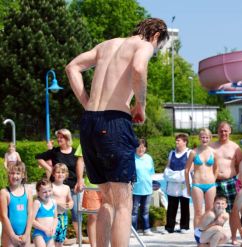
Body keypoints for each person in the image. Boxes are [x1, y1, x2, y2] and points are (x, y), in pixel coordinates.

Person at [65, 17, 168, 247]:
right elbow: (139, 68)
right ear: (156, 36)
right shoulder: (144, 45)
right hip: (114, 123)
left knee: (107, 201)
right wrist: (140, 107)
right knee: (123, 202)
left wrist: (87, 103)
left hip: (90, 122)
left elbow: (72, 67)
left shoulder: (106, 45)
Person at [35, 129, 80, 244]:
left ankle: (79, 236)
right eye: (58, 137)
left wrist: (79, 181)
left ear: (67, 139)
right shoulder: (55, 151)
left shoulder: (75, 152)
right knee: (55, 212)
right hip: (55, 186)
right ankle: (54, 237)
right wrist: (50, 168)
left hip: (71, 187)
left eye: (62, 137)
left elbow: (79, 168)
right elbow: (39, 157)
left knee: (75, 212)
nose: (59, 139)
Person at [210, 121, 242, 245]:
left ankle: (234, 237)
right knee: (215, 211)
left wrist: (237, 180)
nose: (223, 133)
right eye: (221, 130)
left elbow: (240, 165)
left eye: (225, 130)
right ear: (217, 131)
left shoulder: (235, 147)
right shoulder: (211, 147)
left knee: (233, 211)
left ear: (230, 131)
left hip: (230, 182)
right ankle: (215, 236)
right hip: (215, 182)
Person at [185, 128, 218, 228]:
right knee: (198, 212)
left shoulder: (214, 152)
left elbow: (216, 169)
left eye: (207, 137)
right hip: (197, 185)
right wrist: (188, 187)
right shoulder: (193, 152)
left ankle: (207, 235)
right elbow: (186, 170)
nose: (204, 139)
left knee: (210, 212)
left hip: (211, 185)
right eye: (203, 137)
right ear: (199, 138)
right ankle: (197, 237)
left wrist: (213, 179)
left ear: (210, 138)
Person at [0, 161, 33, 247]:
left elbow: (30, 214)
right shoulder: (4, 192)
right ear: (8, 175)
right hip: (9, 235)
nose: (15, 176)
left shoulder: (28, 192)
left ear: (23, 175)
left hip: (25, 234)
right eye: (12, 173)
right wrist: (12, 236)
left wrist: (27, 234)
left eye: (18, 173)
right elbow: (3, 216)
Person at [163, 133, 191, 233]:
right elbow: (168, 166)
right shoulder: (172, 153)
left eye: (178, 140)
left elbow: (190, 169)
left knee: (184, 204)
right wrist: (172, 175)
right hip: (173, 184)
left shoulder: (189, 153)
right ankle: (169, 227)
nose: (176, 142)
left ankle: (184, 226)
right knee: (171, 205)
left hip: (184, 183)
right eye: (176, 140)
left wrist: (178, 175)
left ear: (185, 142)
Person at [75, 144, 101, 247]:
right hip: (92, 184)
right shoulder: (86, 138)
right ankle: (93, 245)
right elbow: (81, 160)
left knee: (107, 216)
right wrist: (79, 179)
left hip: (109, 184)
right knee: (93, 217)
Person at [132, 138, 155, 236]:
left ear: (145, 148)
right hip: (135, 190)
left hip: (147, 189)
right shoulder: (132, 157)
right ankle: (133, 231)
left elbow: (151, 173)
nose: (141, 149)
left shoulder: (149, 158)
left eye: (143, 147)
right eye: (139, 147)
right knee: (134, 212)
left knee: (145, 211)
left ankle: (146, 229)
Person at [51, 163, 74, 246]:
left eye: (62, 172)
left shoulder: (66, 187)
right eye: (58, 172)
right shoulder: (51, 186)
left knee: (61, 240)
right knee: (51, 239)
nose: (60, 174)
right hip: (52, 217)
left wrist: (71, 204)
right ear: (53, 174)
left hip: (63, 216)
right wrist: (58, 203)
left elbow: (70, 200)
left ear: (66, 174)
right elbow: (46, 200)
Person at [32, 179, 58, 247]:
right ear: (38, 192)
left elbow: (55, 218)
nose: (48, 194)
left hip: (50, 234)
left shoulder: (54, 202)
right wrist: (45, 229)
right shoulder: (37, 203)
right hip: (39, 233)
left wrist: (54, 228)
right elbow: (31, 221)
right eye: (44, 192)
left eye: (49, 191)